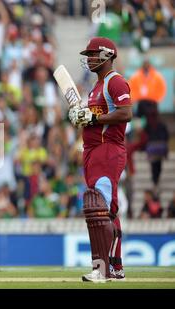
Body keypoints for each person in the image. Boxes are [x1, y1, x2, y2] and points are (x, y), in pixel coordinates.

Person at [69, 37, 132, 282]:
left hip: (108, 149)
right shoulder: (97, 87)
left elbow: (126, 113)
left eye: (93, 55)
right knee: (106, 212)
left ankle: (101, 269)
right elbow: (98, 115)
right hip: (94, 150)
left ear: (107, 55)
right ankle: (115, 268)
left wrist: (93, 119)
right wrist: (81, 116)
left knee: (98, 210)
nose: (89, 59)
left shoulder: (115, 82)